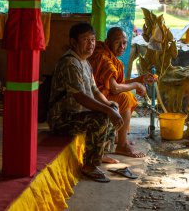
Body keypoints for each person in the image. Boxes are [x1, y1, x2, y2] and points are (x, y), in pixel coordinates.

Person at [47, 22, 124, 183]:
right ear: (74, 43)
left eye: (93, 40)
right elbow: (80, 97)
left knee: (113, 106)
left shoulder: (84, 62)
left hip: (79, 114)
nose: (91, 44)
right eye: (86, 40)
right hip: (62, 119)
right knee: (102, 117)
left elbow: (95, 91)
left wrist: (110, 107)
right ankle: (90, 165)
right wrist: (108, 111)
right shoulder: (70, 63)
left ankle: (101, 154)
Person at [88, 27, 157, 158]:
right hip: (93, 97)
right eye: (117, 42)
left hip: (100, 93)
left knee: (127, 95)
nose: (122, 47)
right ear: (108, 42)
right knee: (125, 97)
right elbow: (115, 88)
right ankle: (122, 145)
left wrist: (140, 79)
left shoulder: (109, 55)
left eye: (124, 43)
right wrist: (136, 84)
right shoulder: (104, 58)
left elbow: (116, 84)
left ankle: (119, 137)